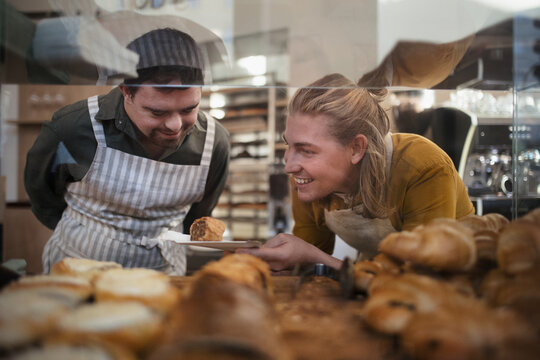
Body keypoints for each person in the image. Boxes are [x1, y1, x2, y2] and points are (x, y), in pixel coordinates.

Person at [24, 28, 230, 275]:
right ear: (126, 92)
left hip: (163, 275)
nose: (175, 125)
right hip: (78, 271)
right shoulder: (73, 127)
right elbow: (42, 195)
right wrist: (89, 231)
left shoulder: (213, 142)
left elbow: (199, 216)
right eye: (157, 112)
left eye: (189, 109)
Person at [238, 73, 474, 271]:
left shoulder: (423, 167)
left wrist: (315, 258)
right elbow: (307, 266)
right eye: (289, 146)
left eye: (307, 151)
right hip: (372, 284)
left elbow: (421, 277)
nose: (289, 166)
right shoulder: (307, 179)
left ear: (356, 148)